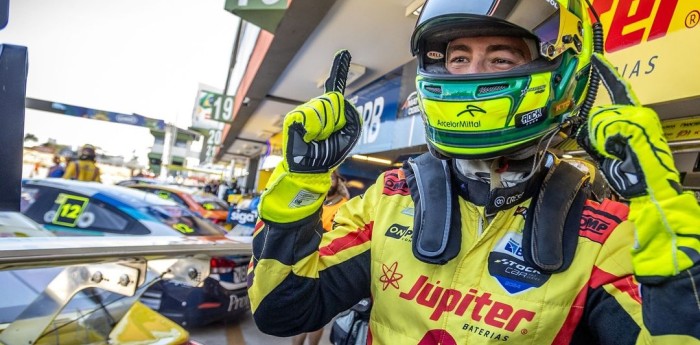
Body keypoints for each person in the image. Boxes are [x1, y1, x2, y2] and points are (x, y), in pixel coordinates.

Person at [248, 1, 700, 344]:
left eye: (500, 60)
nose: (469, 75)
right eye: (458, 59)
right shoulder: (391, 198)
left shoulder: (603, 235)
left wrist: (668, 227)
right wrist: (302, 182)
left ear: (560, 73)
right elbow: (281, 312)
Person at [292, 169, 351, 345]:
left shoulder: (344, 205)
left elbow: (341, 234)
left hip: (325, 263)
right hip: (305, 260)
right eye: (327, 178)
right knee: (300, 312)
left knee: (318, 312)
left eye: (333, 178)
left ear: (338, 182)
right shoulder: (316, 202)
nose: (329, 181)